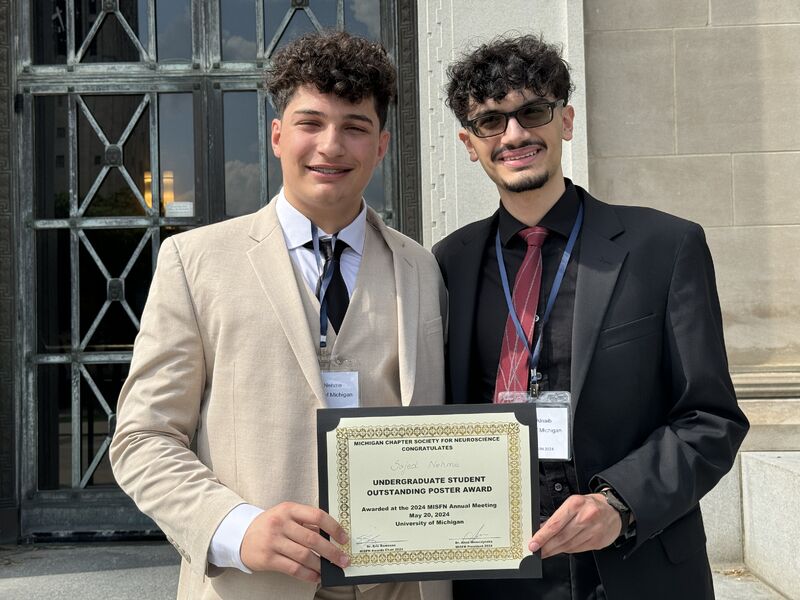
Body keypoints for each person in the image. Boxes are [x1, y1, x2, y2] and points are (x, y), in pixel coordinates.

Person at [110, 31, 448, 600]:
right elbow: (142, 438)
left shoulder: (423, 268)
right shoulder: (195, 263)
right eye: (311, 123)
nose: (332, 145)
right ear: (276, 136)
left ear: (383, 145)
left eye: (355, 127)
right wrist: (234, 528)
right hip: (253, 587)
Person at [432, 34, 749, 600]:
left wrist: (618, 503)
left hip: (630, 566)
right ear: (468, 142)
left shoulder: (665, 246)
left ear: (566, 121)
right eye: (491, 121)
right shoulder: (446, 264)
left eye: (533, 111)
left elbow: (712, 417)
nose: (515, 135)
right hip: (492, 573)